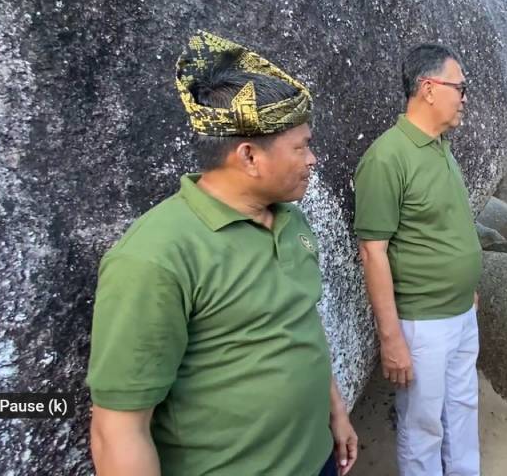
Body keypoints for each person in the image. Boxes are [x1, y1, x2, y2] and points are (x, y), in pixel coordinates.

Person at [87, 31, 358, 476]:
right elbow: (117, 429)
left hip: (317, 460)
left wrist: (337, 413)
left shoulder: (291, 220)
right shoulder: (155, 257)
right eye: (301, 147)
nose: (313, 160)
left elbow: (302, 324)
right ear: (249, 157)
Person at [354, 43, 482, 476]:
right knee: (423, 423)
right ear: (428, 89)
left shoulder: (440, 146)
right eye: (459, 87)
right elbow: (373, 251)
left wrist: (468, 288)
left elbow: (445, 226)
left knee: (462, 407)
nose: (464, 97)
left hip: (462, 312)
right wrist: (391, 339)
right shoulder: (387, 157)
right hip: (423, 322)